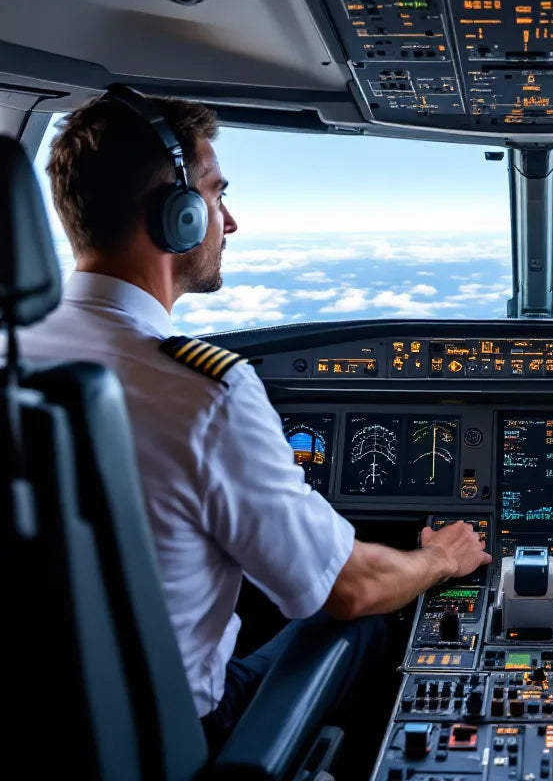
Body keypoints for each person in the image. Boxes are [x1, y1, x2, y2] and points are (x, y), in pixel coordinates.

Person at [18, 89, 492, 754]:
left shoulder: (13, 356)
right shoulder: (204, 392)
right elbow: (350, 589)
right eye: (214, 195)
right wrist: (437, 560)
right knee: (360, 624)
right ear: (175, 217)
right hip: (166, 740)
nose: (228, 220)